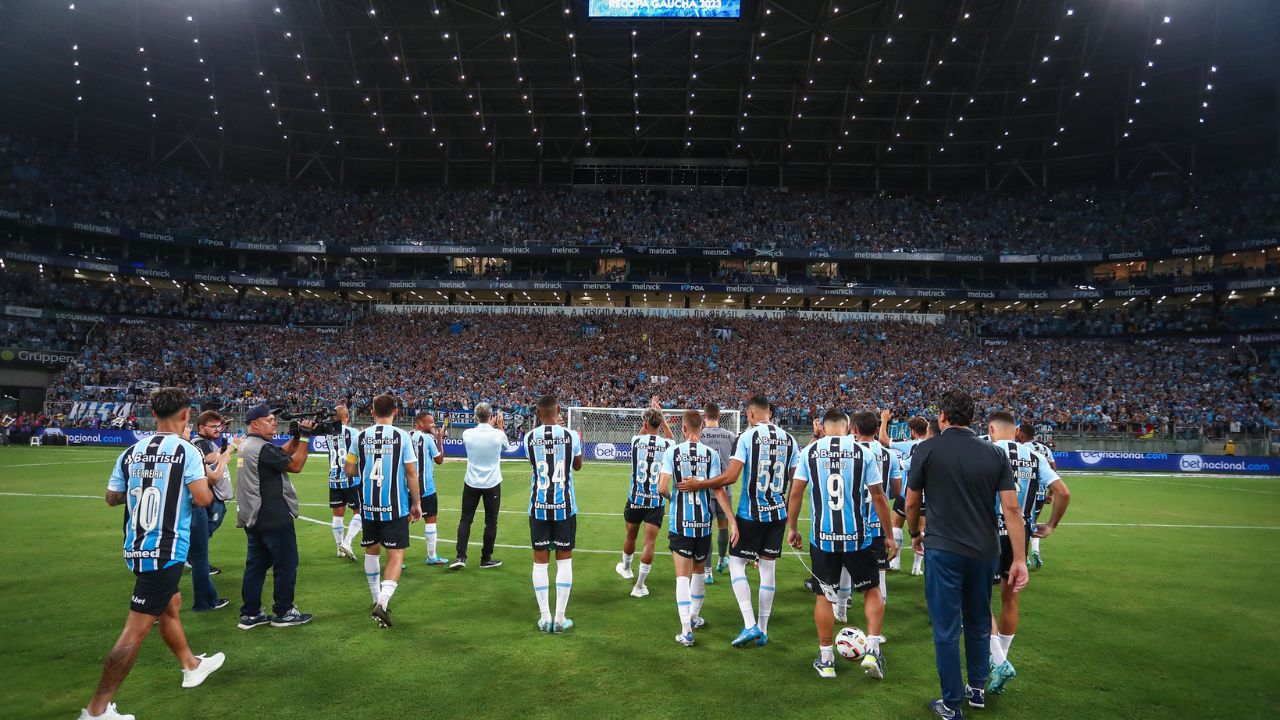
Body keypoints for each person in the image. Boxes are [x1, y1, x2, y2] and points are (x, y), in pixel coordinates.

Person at [81, 388, 230, 720]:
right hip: (164, 550)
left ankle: (191, 666)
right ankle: (95, 711)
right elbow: (204, 499)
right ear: (186, 415)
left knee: (171, 605)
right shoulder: (186, 450)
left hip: (136, 545)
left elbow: (112, 497)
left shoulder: (132, 451)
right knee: (135, 631)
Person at [905, 390, 1028, 719]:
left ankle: (951, 703)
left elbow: (912, 502)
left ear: (942, 416)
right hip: (985, 550)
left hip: (944, 549)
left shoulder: (926, 449)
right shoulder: (994, 453)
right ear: (972, 418)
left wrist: (915, 533)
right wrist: (1018, 558)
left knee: (946, 628)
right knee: (977, 621)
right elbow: (1012, 509)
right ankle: (977, 689)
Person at [787, 409, 894, 680]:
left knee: (823, 595)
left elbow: (796, 491)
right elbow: (879, 496)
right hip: (857, 536)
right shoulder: (863, 452)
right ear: (848, 428)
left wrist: (792, 528)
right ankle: (872, 651)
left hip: (822, 537)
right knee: (871, 590)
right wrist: (889, 533)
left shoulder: (809, 452)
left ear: (822, 428)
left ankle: (826, 660)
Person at [697, 395, 799, 648]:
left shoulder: (747, 436)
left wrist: (701, 484)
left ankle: (749, 623)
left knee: (737, 564)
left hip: (751, 514)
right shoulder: (790, 439)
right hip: (778, 513)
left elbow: (731, 477)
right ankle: (762, 630)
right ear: (770, 414)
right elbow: (797, 481)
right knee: (767, 569)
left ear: (751, 414)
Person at [987, 412, 1071, 694]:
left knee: (977, 598)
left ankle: (998, 661)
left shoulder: (986, 449)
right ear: (1017, 432)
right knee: (1010, 599)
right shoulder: (1034, 457)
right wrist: (1051, 526)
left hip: (986, 534)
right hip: (1019, 535)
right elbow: (1063, 492)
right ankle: (1004, 657)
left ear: (991, 429)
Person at [235, 404, 314, 630]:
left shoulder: (249, 445)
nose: (274, 423)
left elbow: (282, 454)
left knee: (256, 564)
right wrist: (306, 439)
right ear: (254, 424)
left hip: (254, 514)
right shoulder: (261, 447)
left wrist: (297, 437)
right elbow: (295, 465)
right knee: (286, 563)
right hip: (272, 513)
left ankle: (250, 614)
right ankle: (284, 612)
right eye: (268, 420)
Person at [346, 394, 420, 628]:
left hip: (368, 506)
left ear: (372, 411)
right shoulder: (402, 437)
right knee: (396, 555)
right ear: (395, 412)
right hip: (395, 507)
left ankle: (374, 597)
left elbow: (349, 470)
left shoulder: (359, 436)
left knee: (371, 550)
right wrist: (416, 503)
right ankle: (383, 601)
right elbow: (411, 473)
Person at [657, 410, 731, 647]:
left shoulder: (672, 452)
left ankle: (686, 630)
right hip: (703, 523)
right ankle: (695, 617)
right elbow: (718, 489)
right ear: (701, 428)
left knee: (682, 575)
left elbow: (661, 487)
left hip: (680, 522)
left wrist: (673, 498)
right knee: (699, 571)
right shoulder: (710, 454)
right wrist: (731, 518)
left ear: (684, 429)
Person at [523, 394, 583, 633]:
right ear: (559, 410)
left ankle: (544, 617)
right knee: (564, 560)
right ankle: (560, 619)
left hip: (538, 507)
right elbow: (577, 466)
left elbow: (534, 464)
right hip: (564, 507)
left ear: (538, 412)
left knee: (540, 563)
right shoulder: (571, 436)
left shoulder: (529, 438)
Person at [616, 406, 674, 597]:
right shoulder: (668, 446)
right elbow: (669, 436)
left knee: (630, 536)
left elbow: (643, 432)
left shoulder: (635, 441)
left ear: (645, 423)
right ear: (660, 424)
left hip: (635, 499)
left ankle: (626, 567)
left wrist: (650, 414)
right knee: (649, 543)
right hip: (655, 502)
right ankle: (639, 586)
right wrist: (662, 417)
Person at [852, 411, 902, 631]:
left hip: (850, 523)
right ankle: (877, 631)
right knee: (879, 574)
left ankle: (841, 610)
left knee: (844, 568)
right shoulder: (889, 454)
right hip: (877, 524)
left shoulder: (849, 452)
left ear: (854, 430)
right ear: (876, 430)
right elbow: (897, 490)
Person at [187, 411, 234, 612]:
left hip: (215, 496)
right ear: (200, 428)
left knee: (204, 537)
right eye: (212, 426)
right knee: (203, 538)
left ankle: (192, 556)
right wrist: (231, 448)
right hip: (210, 496)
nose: (217, 429)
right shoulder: (198, 443)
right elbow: (208, 458)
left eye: (218, 426)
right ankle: (191, 557)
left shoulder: (205, 441)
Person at [453, 403, 507, 570]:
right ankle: (486, 558)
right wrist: (499, 426)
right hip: (492, 483)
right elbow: (506, 447)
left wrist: (489, 425)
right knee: (491, 522)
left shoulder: (467, 433)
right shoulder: (498, 435)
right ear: (491, 416)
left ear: (476, 416)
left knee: (465, 520)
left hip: (471, 482)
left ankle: (461, 556)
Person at [879, 410, 928, 572]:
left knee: (896, 524)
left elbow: (883, 440)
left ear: (913, 432)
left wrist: (884, 420)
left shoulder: (911, 444)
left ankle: (896, 562)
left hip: (908, 491)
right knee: (922, 528)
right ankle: (916, 567)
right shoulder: (933, 445)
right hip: (927, 494)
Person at [699, 402, 737, 579]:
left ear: (704, 417)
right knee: (724, 526)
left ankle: (707, 573)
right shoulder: (730, 436)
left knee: (707, 529)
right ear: (719, 416)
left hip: (705, 490)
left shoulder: (698, 436)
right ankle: (722, 560)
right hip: (725, 489)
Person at [1015, 423, 1056, 569]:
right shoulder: (1045, 449)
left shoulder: (1021, 449)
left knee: (1021, 523)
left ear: (1021, 433)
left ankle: (1023, 556)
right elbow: (1053, 469)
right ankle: (1036, 552)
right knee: (1032, 523)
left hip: (1025, 492)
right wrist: (1050, 493)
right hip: (1040, 493)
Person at [324, 405, 362, 560]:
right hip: (352, 478)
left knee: (337, 515)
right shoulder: (353, 433)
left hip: (334, 478)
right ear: (347, 416)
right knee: (360, 512)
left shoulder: (327, 434)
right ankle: (346, 543)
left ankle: (339, 548)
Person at [409, 411, 447, 565]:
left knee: (402, 521)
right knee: (430, 519)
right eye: (429, 422)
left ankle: (396, 558)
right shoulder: (427, 439)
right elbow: (439, 460)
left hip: (407, 487)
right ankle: (432, 556)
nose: (433, 425)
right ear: (420, 423)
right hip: (426, 486)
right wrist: (439, 438)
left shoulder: (407, 436)